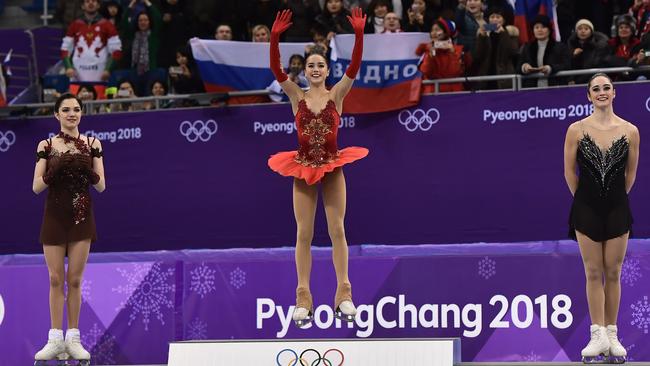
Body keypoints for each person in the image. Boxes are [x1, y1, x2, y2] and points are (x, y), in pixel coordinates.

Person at [267, 8, 369, 327]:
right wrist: (274, 38)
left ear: (326, 70)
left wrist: (360, 35)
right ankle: (303, 299)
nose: (314, 69)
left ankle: (344, 294)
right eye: (310, 65)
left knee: (337, 229)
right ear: (305, 70)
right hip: (303, 168)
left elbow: (354, 67)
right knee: (304, 234)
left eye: (320, 65)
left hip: (332, 165)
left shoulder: (336, 95)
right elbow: (276, 69)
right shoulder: (296, 96)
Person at [563, 73, 640, 364]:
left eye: (606, 87)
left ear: (614, 92)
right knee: (593, 271)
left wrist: (614, 198)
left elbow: (630, 174)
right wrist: (585, 200)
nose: (602, 92)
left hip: (618, 206)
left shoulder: (630, 130)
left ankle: (613, 335)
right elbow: (570, 173)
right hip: (586, 208)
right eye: (596, 89)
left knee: (613, 272)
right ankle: (597, 335)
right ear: (588, 96)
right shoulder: (576, 129)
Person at [32, 93, 105, 363]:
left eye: (76, 109)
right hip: (54, 215)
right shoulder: (47, 144)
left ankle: (73, 339)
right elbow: (36, 186)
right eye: (66, 110)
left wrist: (89, 171)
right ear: (56, 114)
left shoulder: (92, 143)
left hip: (81, 217)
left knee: (74, 280)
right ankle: (54, 339)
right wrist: (55, 169)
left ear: (82, 113)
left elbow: (101, 186)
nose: (71, 113)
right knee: (55, 279)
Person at [61, 0, 122, 82]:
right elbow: (65, 49)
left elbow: (116, 51)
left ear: (98, 5)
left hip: (100, 75)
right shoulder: (75, 25)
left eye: (93, 1)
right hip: (78, 75)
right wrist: (68, 67)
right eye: (87, 1)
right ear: (82, 6)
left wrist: (108, 70)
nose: (90, 3)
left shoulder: (108, 25)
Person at [415, 18, 470, 93]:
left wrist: (452, 53)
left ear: (445, 32)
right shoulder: (428, 50)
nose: (434, 33)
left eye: (437, 30)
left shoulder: (457, 50)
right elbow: (427, 72)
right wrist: (431, 55)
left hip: (454, 93)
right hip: (433, 92)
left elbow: (455, 72)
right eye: (432, 30)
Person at [518, 15, 570, 88]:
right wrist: (524, 67)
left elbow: (566, 65)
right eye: (537, 27)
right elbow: (518, 67)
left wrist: (550, 68)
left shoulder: (560, 47)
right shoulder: (527, 47)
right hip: (531, 89)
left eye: (543, 27)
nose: (540, 30)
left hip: (555, 87)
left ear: (549, 30)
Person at [474, 7, 519, 89]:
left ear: (503, 20)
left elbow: (513, 52)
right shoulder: (484, 33)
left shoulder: (510, 33)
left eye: (498, 17)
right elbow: (478, 55)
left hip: (504, 78)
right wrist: (482, 37)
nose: (495, 20)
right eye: (492, 17)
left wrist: (503, 34)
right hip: (486, 78)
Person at [567, 19, 609, 84]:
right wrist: (573, 56)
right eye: (580, 29)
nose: (583, 31)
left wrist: (577, 81)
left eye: (586, 29)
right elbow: (568, 65)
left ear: (591, 31)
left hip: (593, 81)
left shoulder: (598, 46)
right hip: (574, 82)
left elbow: (594, 66)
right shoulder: (571, 45)